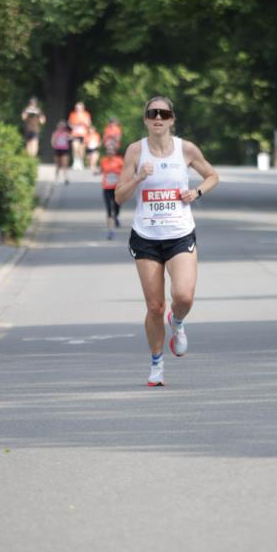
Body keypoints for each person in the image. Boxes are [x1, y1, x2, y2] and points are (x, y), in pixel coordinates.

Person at [115, 95, 219, 387]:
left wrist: (196, 193)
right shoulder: (136, 151)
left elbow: (212, 175)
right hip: (146, 236)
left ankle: (179, 321)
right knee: (155, 307)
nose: (157, 118)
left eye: (163, 113)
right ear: (145, 119)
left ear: (172, 119)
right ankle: (157, 364)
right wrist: (138, 179)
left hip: (180, 233)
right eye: (152, 113)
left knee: (183, 296)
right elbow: (119, 196)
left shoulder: (185, 149)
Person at [100, 141, 124, 239]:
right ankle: (111, 230)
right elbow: (102, 170)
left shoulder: (119, 161)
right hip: (106, 188)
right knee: (109, 209)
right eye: (108, 150)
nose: (109, 152)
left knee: (116, 208)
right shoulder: (103, 161)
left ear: (115, 151)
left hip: (117, 189)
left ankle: (116, 217)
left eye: (111, 150)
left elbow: (125, 172)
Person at [67, 101, 92, 170]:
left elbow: (89, 124)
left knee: (81, 149)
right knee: (75, 147)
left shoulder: (86, 114)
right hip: (75, 134)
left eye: (79, 107)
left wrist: (84, 123)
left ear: (83, 108)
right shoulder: (73, 114)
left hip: (83, 134)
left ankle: (80, 162)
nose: (78, 109)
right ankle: (75, 162)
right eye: (77, 107)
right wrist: (75, 125)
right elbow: (69, 124)